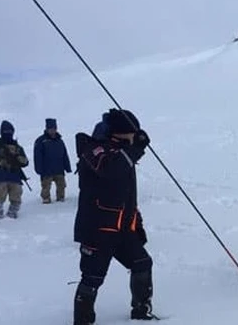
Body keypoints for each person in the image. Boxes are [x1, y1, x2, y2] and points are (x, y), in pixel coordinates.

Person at [72, 109, 156, 324]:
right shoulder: (93, 149)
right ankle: (83, 321)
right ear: (119, 133)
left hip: (122, 229)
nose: (134, 138)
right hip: (97, 229)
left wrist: (136, 223)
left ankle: (141, 311)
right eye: (132, 133)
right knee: (92, 278)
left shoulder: (124, 153)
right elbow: (110, 169)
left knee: (142, 263)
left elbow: (127, 196)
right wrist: (136, 148)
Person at [34, 118, 72, 204]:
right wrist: (38, 169)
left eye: (54, 128)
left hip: (59, 168)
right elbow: (37, 156)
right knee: (46, 186)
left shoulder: (60, 141)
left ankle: (61, 198)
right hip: (46, 169)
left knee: (61, 185)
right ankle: (46, 199)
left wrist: (67, 167)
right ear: (47, 129)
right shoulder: (41, 141)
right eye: (50, 129)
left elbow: (64, 155)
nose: (52, 131)